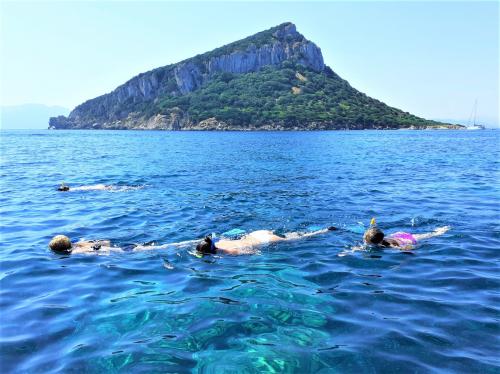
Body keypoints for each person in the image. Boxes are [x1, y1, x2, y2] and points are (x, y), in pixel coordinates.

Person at [196, 227, 338, 255]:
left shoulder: (226, 251)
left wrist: (256, 253)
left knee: (298, 239)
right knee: (291, 235)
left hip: (264, 240)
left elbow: (249, 251)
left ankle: (324, 231)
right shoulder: (217, 241)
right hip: (256, 233)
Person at [363, 218, 450, 250]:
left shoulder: (389, 246)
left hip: (407, 239)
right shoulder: (376, 241)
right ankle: (439, 231)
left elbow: (406, 248)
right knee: (428, 234)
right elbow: (359, 248)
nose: (364, 240)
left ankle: (443, 230)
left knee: (432, 235)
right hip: (397, 235)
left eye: (365, 239)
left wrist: (407, 250)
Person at [48, 235, 118, 254]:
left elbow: (90, 251)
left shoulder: (74, 252)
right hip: (104, 243)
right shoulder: (77, 243)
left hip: (103, 249)